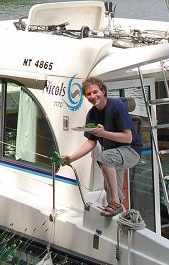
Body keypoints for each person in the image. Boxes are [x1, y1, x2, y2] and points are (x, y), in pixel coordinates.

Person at [58, 77, 143, 217]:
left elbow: (128, 138)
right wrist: (71, 158)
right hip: (113, 155)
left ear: (103, 91)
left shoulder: (116, 106)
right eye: (88, 94)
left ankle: (116, 201)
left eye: (95, 92)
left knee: (104, 157)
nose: (92, 96)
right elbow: (91, 143)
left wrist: (104, 133)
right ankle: (119, 212)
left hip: (131, 150)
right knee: (109, 188)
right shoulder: (91, 115)